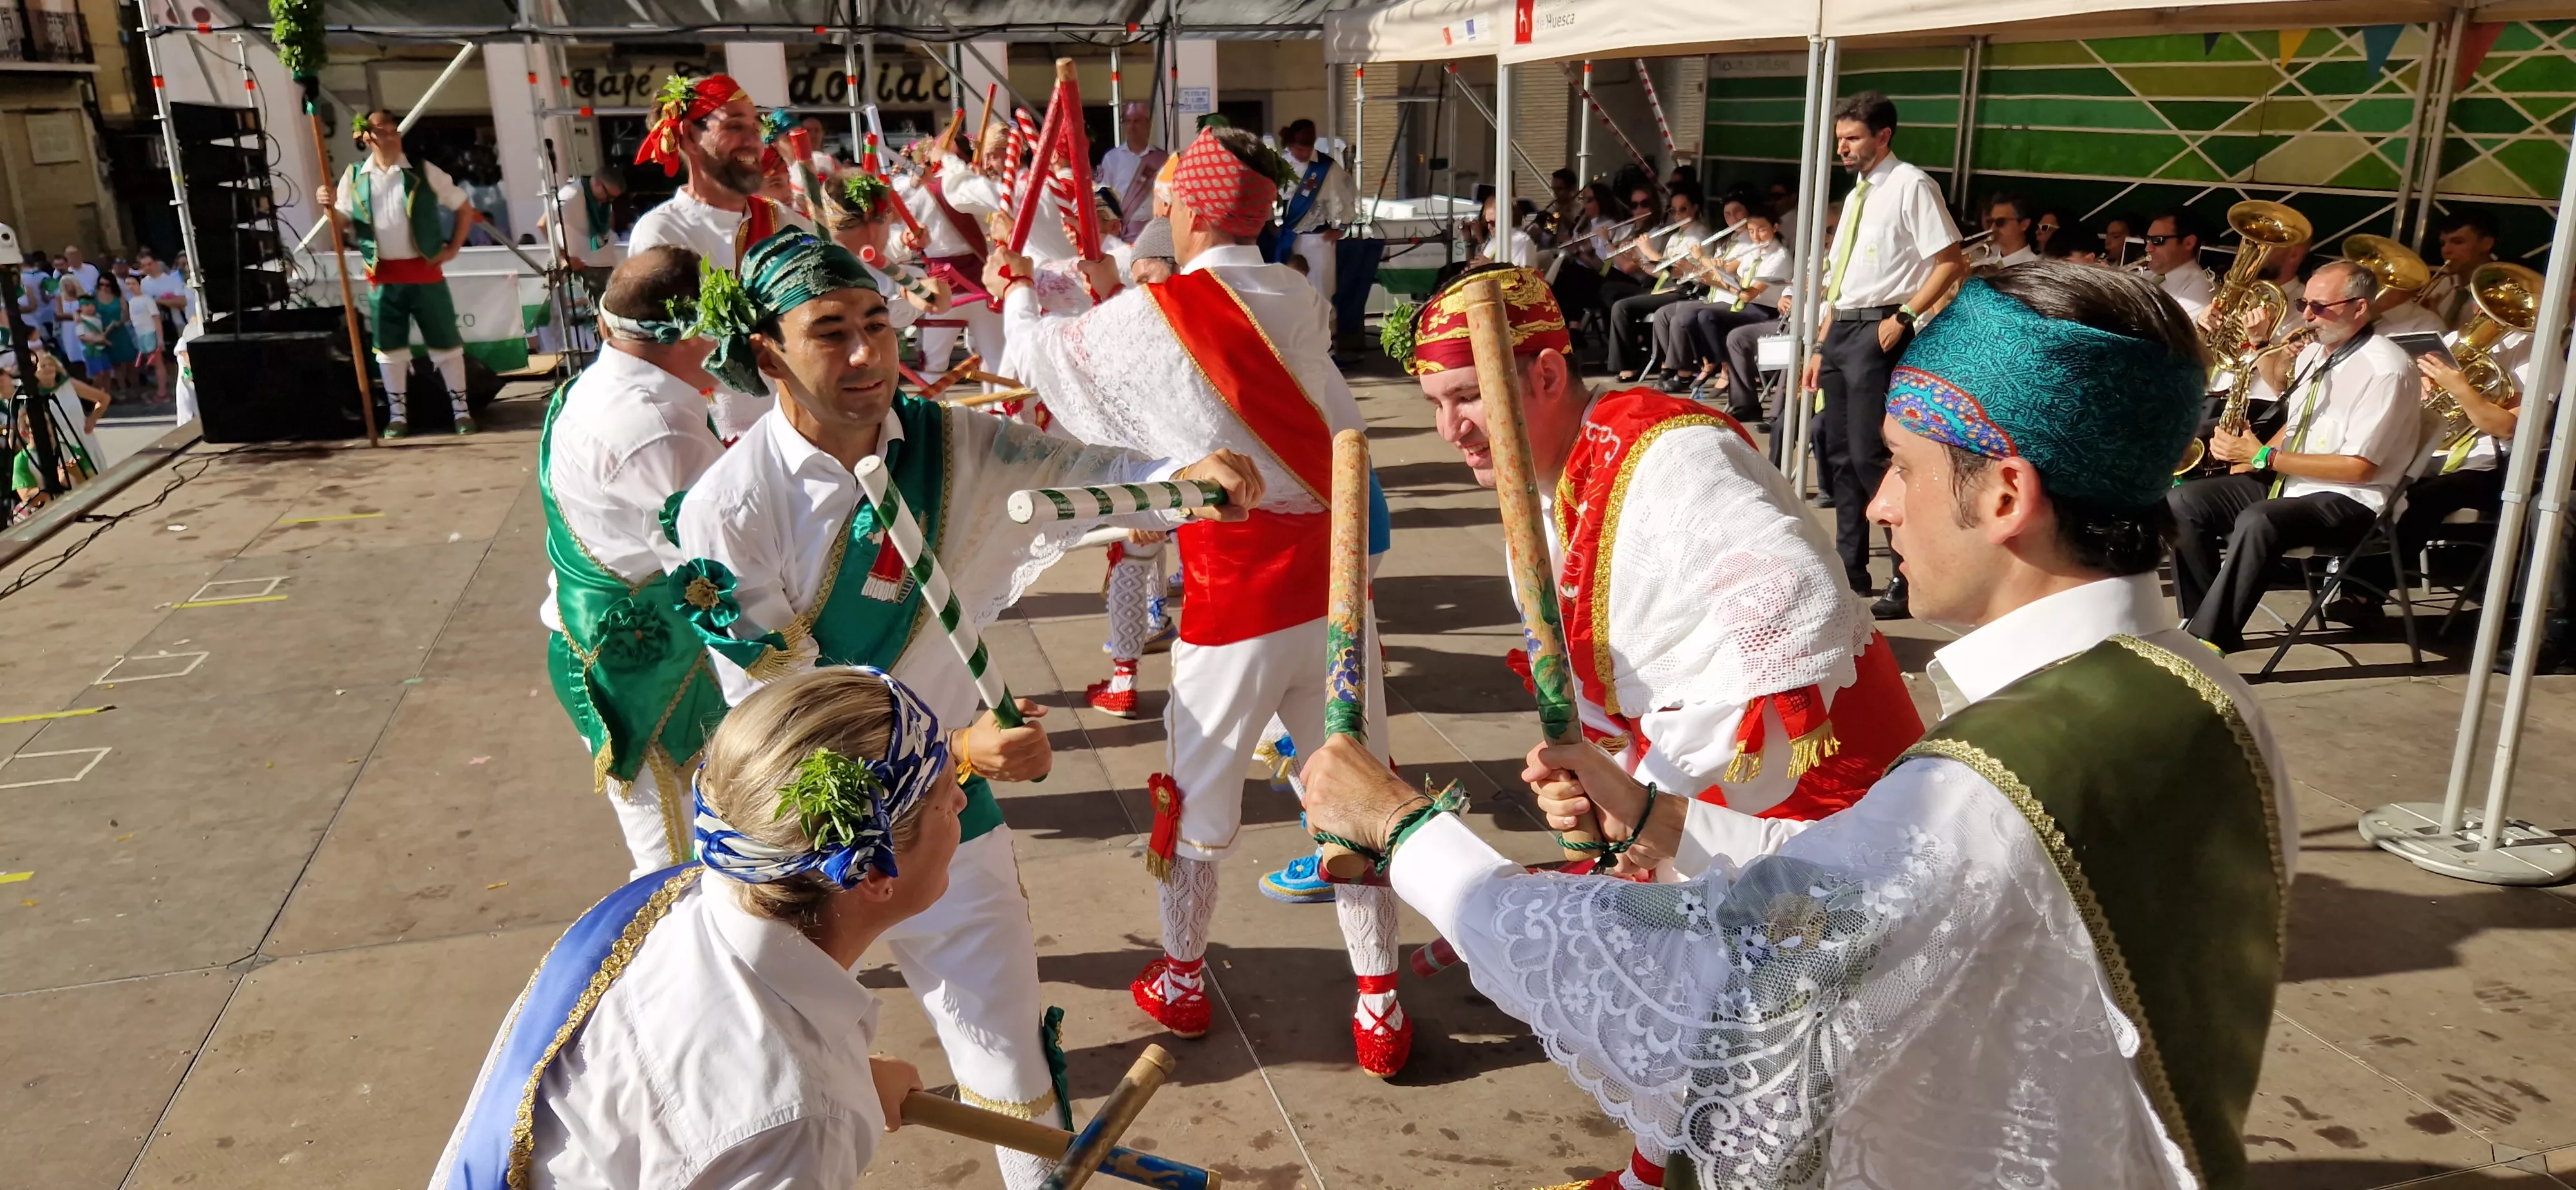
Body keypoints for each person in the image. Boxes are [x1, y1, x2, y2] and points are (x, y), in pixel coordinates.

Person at [1305, 261, 2294, 1190]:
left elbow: (1707, 991)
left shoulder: (1988, 793)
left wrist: (1404, 830)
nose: (1879, 507)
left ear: (2004, 494)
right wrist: (1661, 816)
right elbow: (1866, 897)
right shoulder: (2209, 692)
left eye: (1900, 468)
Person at [672, 226, 1262, 1184]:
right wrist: (954, 750)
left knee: (1007, 1057)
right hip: (805, 845)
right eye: (831, 331)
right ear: (766, 352)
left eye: (877, 322)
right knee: (771, 1080)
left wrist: (1189, 477)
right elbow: (781, 718)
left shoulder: (952, 443)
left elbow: (1082, 473)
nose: (868, 353)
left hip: (951, 825)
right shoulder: (725, 510)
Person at [994, 126, 1416, 1078]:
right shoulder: (1297, 297)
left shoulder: (1164, 312)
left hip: (1233, 597)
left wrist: (1015, 284)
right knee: (1359, 791)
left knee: (1193, 805)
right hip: (1336, 587)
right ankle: (1381, 1008)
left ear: (1185, 206)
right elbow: (1338, 432)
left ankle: (1183, 981)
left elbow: (1042, 361)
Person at [426, 666, 952, 1190]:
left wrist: (851, 1076)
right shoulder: (796, 1126)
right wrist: (827, 1099)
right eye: (946, 797)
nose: (962, 804)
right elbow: (749, 1104)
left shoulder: (674, 898)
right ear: (878, 872)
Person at [539, 246, 731, 879]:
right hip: (636, 662)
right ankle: (675, 973)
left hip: (616, 638)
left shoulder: (590, 386)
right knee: (674, 864)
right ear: (695, 330)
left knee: (708, 832)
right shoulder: (659, 427)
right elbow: (715, 558)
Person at [2168, 260, 2421, 652]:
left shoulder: (2386, 370)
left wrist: (2264, 457)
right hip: (2292, 484)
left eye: (2321, 307)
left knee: (2260, 520)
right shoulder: (2315, 354)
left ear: (2359, 308)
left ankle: (2209, 638)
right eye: (2305, 303)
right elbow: (2301, 424)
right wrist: (2245, 453)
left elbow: (2358, 468)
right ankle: (2204, 616)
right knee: (2181, 501)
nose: (2307, 315)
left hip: (2354, 501)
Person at [1797, 91, 1969, 621]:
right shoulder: (1857, 195)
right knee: (1837, 451)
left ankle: (1906, 568)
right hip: (1845, 327)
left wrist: (1905, 318)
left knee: (1875, 453)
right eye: (1840, 140)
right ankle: (1850, 565)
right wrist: (1821, 345)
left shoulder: (1911, 184)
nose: (1843, 149)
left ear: (1883, 137)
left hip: (1881, 325)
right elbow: (1841, 280)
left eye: (1852, 139)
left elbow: (1950, 261)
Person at [628, 73, 811, 442]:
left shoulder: (782, 219)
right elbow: (672, 347)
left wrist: (905, 290)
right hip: (717, 437)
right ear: (689, 137)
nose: (753, 140)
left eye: (755, 127)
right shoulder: (663, 233)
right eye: (733, 125)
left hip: (798, 424)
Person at [314, 109, 483, 437]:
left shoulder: (422, 172)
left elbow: (464, 207)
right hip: (383, 275)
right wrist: (329, 206)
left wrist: (453, 248)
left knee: (446, 343)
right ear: (366, 137)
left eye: (394, 129)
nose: (391, 135)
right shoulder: (355, 176)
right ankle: (397, 416)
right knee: (389, 349)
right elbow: (342, 224)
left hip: (425, 271)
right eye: (383, 130)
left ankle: (461, 412)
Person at [1678, 211, 1792, 415]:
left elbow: (1747, 295)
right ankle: (1721, 363)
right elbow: (1726, 274)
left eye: (1762, 230)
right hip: (1746, 307)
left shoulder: (1780, 257)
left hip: (1766, 311)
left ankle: (1725, 367)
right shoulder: (1751, 251)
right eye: (1751, 231)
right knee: (1699, 317)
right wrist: (1704, 274)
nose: (1756, 237)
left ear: (1775, 228)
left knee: (1711, 319)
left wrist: (1704, 259)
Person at [1606, 187, 1710, 381]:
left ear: (1695, 209)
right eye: (1673, 210)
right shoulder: (1677, 234)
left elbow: (1682, 272)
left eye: (1683, 209)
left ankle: (1631, 364)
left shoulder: (1699, 236)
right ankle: (1631, 360)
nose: (1678, 215)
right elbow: (1665, 272)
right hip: (1667, 287)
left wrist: (1647, 251)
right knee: (1618, 302)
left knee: (1623, 307)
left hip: (1686, 291)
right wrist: (1639, 261)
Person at [1274, 118, 1358, 309]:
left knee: (1321, 291)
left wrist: (1343, 227)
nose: (1302, 153)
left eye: (1307, 149)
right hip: (1288, 237)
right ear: (1290, 145)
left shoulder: (1327, 167)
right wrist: (1271, 222)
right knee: (1291, 290)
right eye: (1298, 149)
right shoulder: (1281, 165)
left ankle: (1326, 334)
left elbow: (1348, 193)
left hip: (1320, 238)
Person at [2418, 209, 2501, 331]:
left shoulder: (2501, 293)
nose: (2446, 251)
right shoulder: (2441, 284)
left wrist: (2435, 323)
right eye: (2443, 243)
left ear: (2486, 244)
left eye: (2458, 242)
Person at [1096, 100, 1168, 241]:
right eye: (1128, 121)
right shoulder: (1112, 158)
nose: (1132, 126)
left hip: (1154, 230)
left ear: (1148, 124)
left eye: (1137, 121)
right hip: (1123, 232)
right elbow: (1102, 195)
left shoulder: (1162, 159)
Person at [2143, 209, 2215, 321]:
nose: (2148, 248)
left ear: (2189, 243)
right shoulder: (2146, 275)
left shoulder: (2200, 287)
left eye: (2158, 240)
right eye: (2147, 240)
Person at [1980, 193, 2040, 270]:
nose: (1993, 228)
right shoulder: (1983, 266)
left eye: (2001, 221)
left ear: (2024, 225)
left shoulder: (2037, 269)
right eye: (1992, 222)